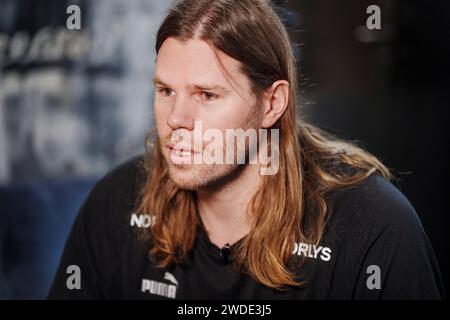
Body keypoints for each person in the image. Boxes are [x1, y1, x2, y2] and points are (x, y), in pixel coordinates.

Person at [48, 0, 443, 299]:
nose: (175, 119)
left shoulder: (371, 225)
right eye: (165, 91)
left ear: (271, 104)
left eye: (206, 94)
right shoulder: (118, 201)